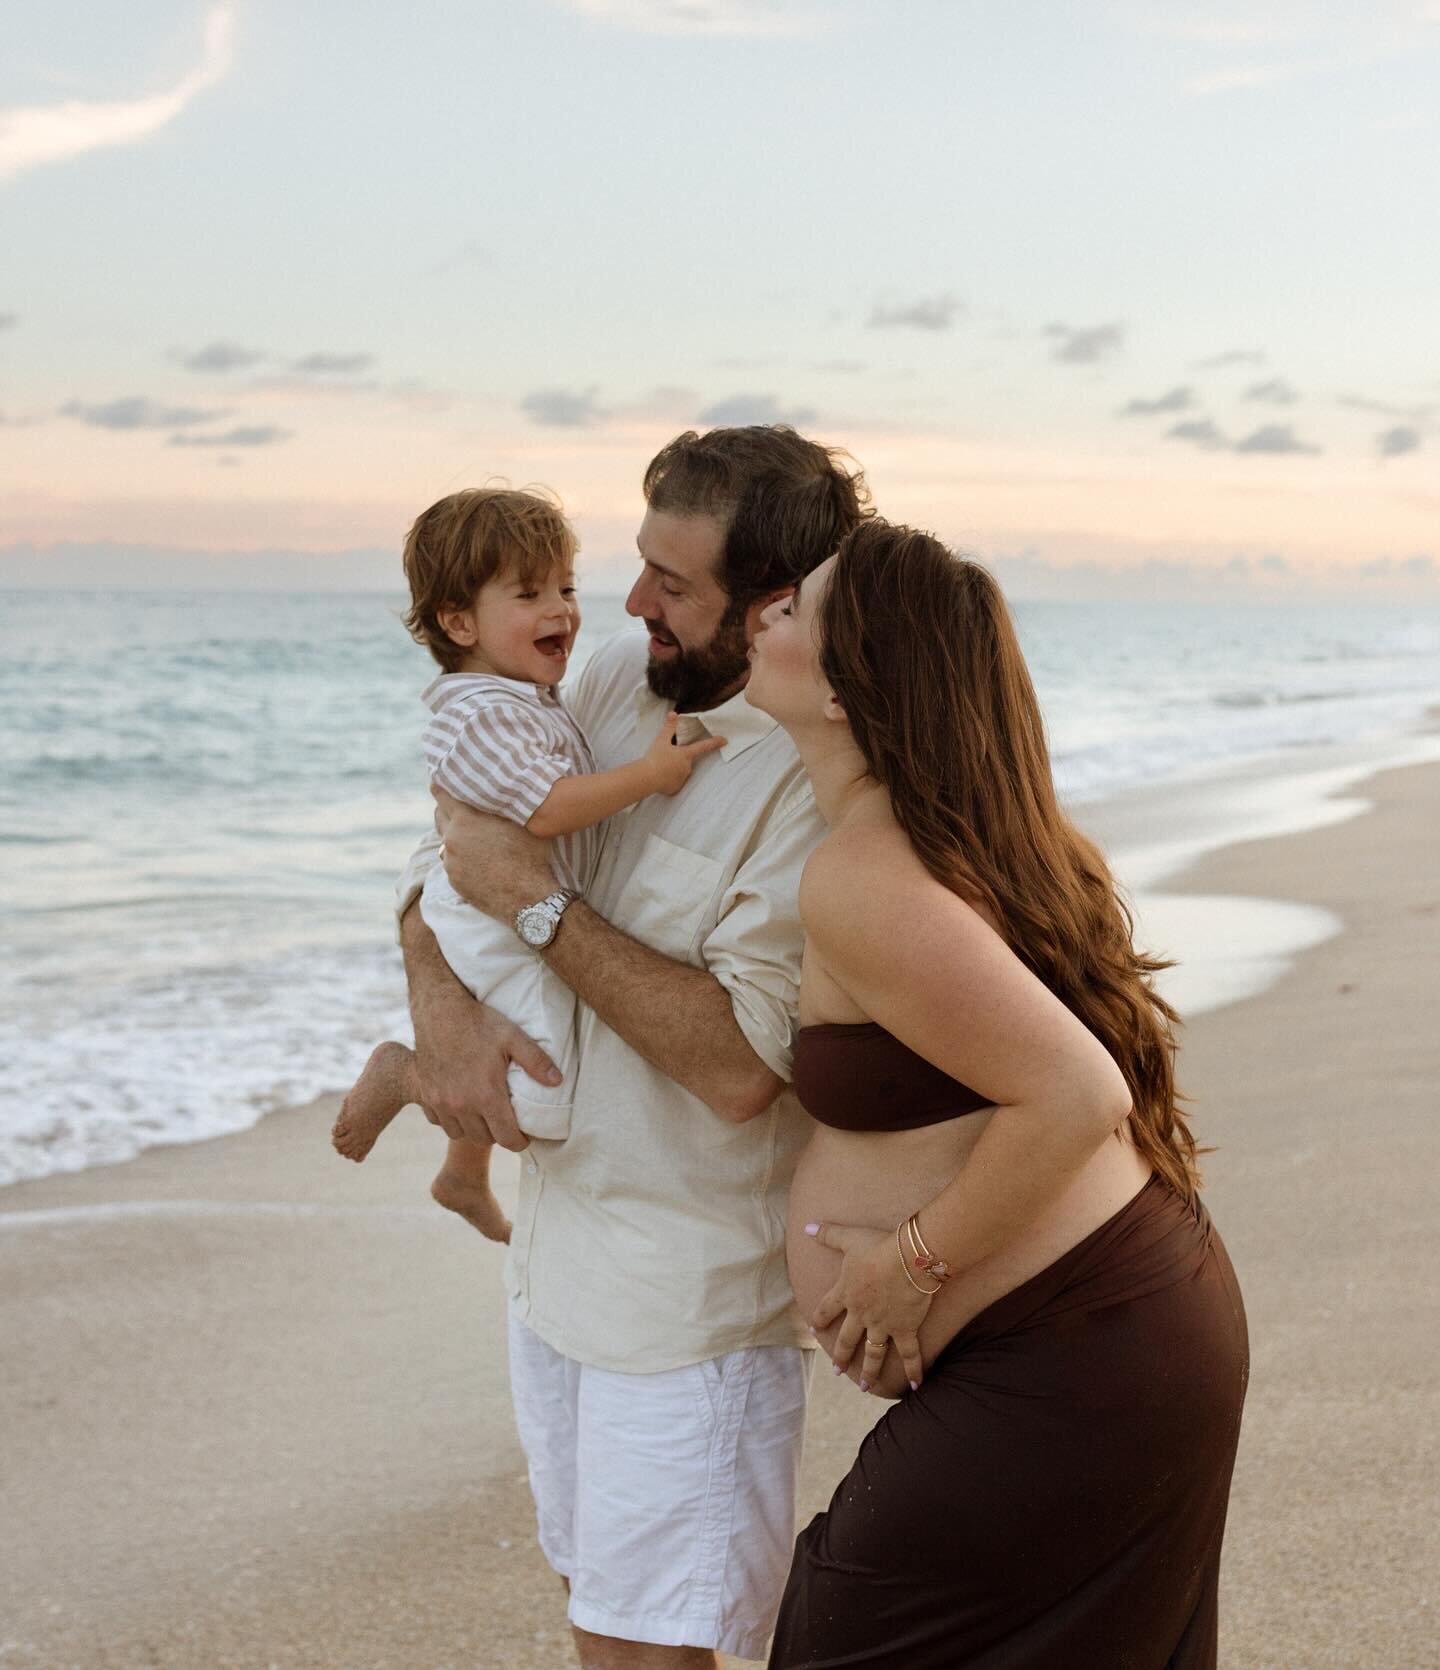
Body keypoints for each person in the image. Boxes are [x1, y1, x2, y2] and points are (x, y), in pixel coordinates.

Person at [397, 428, 872, 1667]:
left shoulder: (813, 782)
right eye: (640, 562)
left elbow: (737, 1069)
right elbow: (441, 860)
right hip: (552, 1274)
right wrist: (443, 1017)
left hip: (688, 1312)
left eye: (674, 583)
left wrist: (538, 906)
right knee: (591, 1610)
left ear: (774, 602)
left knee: (649, 1653)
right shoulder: (603, 679)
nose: (626, 601)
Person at [744, 521, 1249, 1669]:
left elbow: (1078, 1092)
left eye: (796, 608)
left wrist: (904, 1266)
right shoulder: (934, 842)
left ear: (847, 686)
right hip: (1118, 1339)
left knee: (837, 1630)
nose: (767, 614)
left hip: (1085, 1356)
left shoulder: (869, 875)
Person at [331, 486, 723, 1243]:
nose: (562, 610)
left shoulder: (528, 698)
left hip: (502, 908)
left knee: (507, 1039)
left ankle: (461, 1175)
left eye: (567, 588)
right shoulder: (483, 715)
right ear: (458, 621)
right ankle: (405, 1076)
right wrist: (651, 776)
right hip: (488, 917)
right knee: (541, 1093)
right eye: (529, 593)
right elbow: (544, 809)